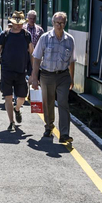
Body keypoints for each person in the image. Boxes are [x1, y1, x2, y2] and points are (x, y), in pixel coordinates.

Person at [30, 12, 76, 143]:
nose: (59, 25)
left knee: (63, 103)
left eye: (61, 23)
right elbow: (37, 58)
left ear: (65, 23)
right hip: (47, 75)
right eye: (57, 23)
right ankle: (49, 126)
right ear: (53, 23)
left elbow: (72, 61)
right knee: (48, 103)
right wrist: (34, 77)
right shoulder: (45, 38)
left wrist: (72, 78)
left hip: (63, 76)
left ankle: (64, 134)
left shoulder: (70, 40)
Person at [0, 11, 33, 131]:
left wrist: (34, 71)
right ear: (12, 23)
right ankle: (11, 122)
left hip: (21, 71)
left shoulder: (26, 35)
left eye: (20, 23)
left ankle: (17, 109)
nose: (18, 25)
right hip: (6, 71)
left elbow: (32, 53)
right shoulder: (5, 34)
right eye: (16, 23)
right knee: (8, 97)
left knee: (22, 97)